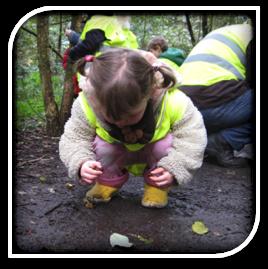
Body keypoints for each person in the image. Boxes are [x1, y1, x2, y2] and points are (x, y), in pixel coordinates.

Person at [59, 49, 207, 208]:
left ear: (150, 92)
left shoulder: (173, 101)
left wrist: (176, 166)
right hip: (113, 150)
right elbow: (74, 138)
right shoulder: (86, 103)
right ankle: (107, 182)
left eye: (130, 115)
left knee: (166, 145)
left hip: (155, 149)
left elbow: (193, 137)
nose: (121, 123)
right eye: (110, 116)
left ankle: (157, 186)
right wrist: (81, 162)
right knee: (100, 147)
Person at [178, 23, 254, 167]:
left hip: (182, 107)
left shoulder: (232, 31)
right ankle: (223, 142)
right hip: (213, 103)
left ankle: (205, 140)